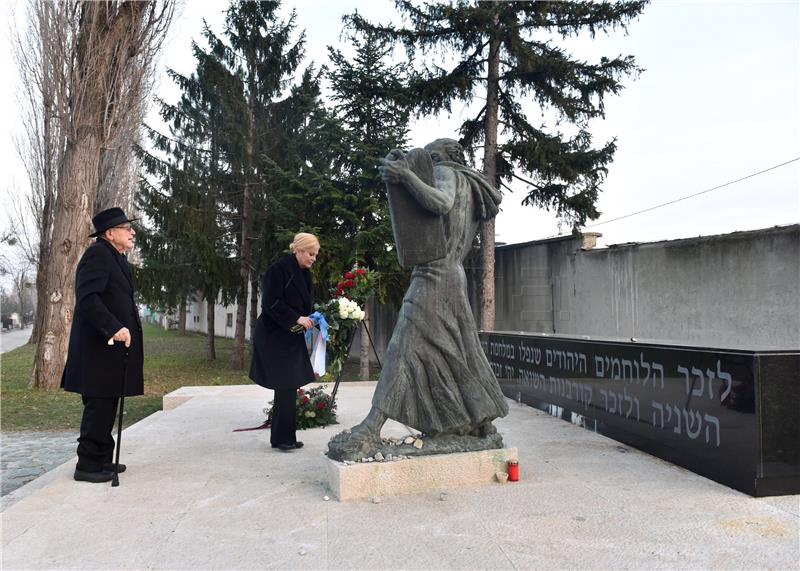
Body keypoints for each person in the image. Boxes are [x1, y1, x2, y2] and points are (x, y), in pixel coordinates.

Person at [329, 139, 509, 459]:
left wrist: (406, 177)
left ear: (440, 157)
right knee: (457, 351)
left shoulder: (446, 173)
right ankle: (480, 422)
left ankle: (372, 426)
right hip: (451, 274)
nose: (424, 162)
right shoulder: (470, 183)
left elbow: (439, 203)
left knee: (403, 343)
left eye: (429, 156)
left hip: (434, 275)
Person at [62, 207, 144, 483]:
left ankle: (102, 459)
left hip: (111, 351)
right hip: (98, 350)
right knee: (98, 406)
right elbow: (88, 299)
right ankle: (87, 465)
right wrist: (114, 327)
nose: (133, 232)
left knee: (108, 404)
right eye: (126, 227)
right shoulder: (97, 254)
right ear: (110, 233)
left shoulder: (115, 257)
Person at [249, 233, 319, 451]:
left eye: (315, 255)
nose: (314, 258)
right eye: (311, 253)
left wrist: (315, 317)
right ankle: (282, 438)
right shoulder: (278, 269)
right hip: (273, 335)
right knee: (286, 385)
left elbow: (306, 304)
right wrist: (295, 318)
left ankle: (284, 437)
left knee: (289, 386)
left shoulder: (305, 274)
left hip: (291, 334)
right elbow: (270, 303)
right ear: (298, 250)